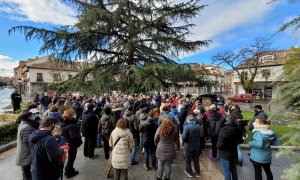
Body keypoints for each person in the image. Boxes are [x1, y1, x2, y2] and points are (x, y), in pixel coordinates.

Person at [217, 115, 243, 180]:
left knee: (227, 171)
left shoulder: (224, 130)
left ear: (227, 121)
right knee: (233, 169)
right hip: (233, 152)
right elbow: (240, 140)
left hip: (225, 153)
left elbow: (219, 144)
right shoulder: (238, 129)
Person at [16, 111, 39, 180]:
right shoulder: (26, 127)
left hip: (25, 152)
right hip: (26, 153)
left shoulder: (23, 124)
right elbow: (28, 141)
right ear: (29, 117)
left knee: (26, 172)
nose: (34, 117)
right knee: (27, 173)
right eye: (32, 116)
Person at [60, 110, 82, 178]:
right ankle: (69, 172)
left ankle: (68, 169)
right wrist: (79, 136)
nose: (74, 115)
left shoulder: (63, 123)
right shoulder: (72, 125)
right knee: (71, 158)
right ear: (71, 116)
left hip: (66, 142)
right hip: (72, 144)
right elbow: (73, 135)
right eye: (73, 114)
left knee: (70, 157)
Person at [182, 111, 201, 178]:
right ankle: (198, 172)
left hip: (188, 145)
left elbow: (184, 137)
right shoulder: (198, 126)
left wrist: (185, 141)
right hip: (196, 144)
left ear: (188, 120)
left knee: (188, 159)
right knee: (196, 159)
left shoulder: (187, 127)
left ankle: (189, 172)